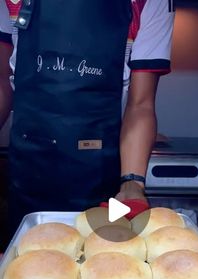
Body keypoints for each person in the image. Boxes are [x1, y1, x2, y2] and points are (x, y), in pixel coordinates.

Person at [0, 0, 175, 233]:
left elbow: (141, 104)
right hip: (28, 170)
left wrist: (133, 183)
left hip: (100, 174)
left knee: (103, 260)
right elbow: (2, 79)